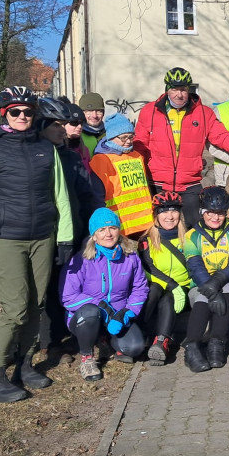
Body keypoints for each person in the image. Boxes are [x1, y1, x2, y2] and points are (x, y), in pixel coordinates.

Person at [0, 86, 75, 403]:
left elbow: (61, 197)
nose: (22, 116)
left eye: (28, 112)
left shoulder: (47, 150)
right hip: (7, 239)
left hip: (43, 237)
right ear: (5, 114)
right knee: (15, 310)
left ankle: (26, 367)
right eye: (15, 111)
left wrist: (65, 238)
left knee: (36, 305)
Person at [133, 67, 229, 229]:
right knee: (156, 230)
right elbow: (140, 145)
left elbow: (220, 135)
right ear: (167, 90)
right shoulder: (150, 112)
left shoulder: (203, 113)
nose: (179, 94)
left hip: (189, 184)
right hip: (157, 182)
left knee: (195, 230)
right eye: (174, 89)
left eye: (183, 90)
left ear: (189, 90)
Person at [36, 97, 104, 362]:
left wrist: (94, 227)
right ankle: (49, 342)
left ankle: (79, 333)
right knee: (49, 287)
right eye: (59, 124)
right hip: (44, 232)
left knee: (73, 283)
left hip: (75, 230)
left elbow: (89, 194)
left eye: (67, 124)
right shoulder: (39, 156)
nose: (65, 129)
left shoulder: (70, 157)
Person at [61, 208, 149, 380]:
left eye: (112, 228)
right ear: (94, 235)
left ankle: (106, 340)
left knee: (135, 348)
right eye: (101, 230)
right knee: (90, 312)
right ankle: (87, 357)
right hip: (86, 317)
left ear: (119, 230)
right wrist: (101, 306)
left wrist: (127, 312)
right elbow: (68, 296)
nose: (108, 234)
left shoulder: (130, 257)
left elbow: (140, 288)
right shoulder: (81, 260)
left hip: (116, 316)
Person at [182, 186, 229, 372]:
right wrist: (212, 291)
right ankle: (192, 347)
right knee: (205, 294)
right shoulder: (191, 236)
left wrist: (216, 283)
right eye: (210, 213)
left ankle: (216, 342)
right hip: (201, 289)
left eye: (220, 213)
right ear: (202, 211)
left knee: (227, 286)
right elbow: (195, 267)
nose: (215, 218)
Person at [138, 191, 192, 366]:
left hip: (183, 289)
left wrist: (178, 287)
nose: (169, 216)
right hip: (160, 286)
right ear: (156, 215)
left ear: (180, 214)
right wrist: (171, 284)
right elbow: (147, 268)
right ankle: (139, 334)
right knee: (154, 290)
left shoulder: (190, 237)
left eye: (174, 210)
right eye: (164, 211)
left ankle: (162, 342)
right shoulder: (147, 240)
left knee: (168, 298)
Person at [90, 113, 154, 238]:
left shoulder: (137, 156)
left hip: (145, 222)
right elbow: (97, 197)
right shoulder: (101, 160)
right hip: (118, 225)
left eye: (131, 137)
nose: (129, 141)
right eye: (124, 137)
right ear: (112, 137)